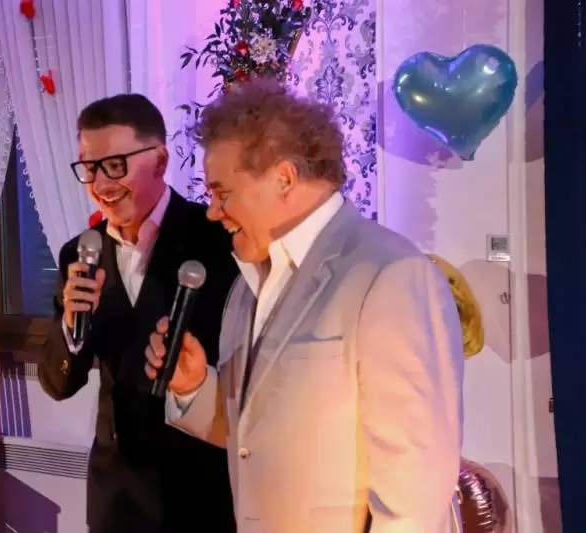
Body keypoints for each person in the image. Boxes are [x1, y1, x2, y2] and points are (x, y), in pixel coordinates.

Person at [144, 79, 465, 533]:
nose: (212, 211)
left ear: (284, 178)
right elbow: (252, 438)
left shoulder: (390, 275)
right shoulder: (246, 286)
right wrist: (193, 386)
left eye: (222, 192)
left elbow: (414, 498)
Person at [38, 93, 238, 533]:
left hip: (200, 488)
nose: (101, 184)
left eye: (115, 165)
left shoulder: (218, 238)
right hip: (117, 494)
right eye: (89, 168)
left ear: (160, 161)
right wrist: (71, 326)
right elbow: (58, 383)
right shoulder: (79, 254)